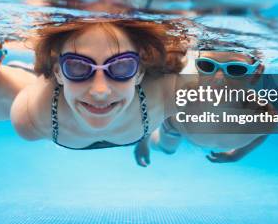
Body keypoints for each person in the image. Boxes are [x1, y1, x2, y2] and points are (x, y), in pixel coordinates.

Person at [10, 19, 187, 151]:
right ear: (58, 73)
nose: (100, 91)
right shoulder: (30, 117)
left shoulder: (171, 92)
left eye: (121, 66)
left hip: (143, 129)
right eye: (77, 66)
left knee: (166, 148)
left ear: (139, 72)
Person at [134, 43, 275, 166]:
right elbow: (152, 113)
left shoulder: (264, 116)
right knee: (166, 149)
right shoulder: (181, 94)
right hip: (173, 127)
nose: (219, 80)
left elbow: (264, 133)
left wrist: (236, 155)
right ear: (198, 66)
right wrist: (142, 143)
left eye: (235, 69)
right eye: (207, 65)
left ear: (256, 73)